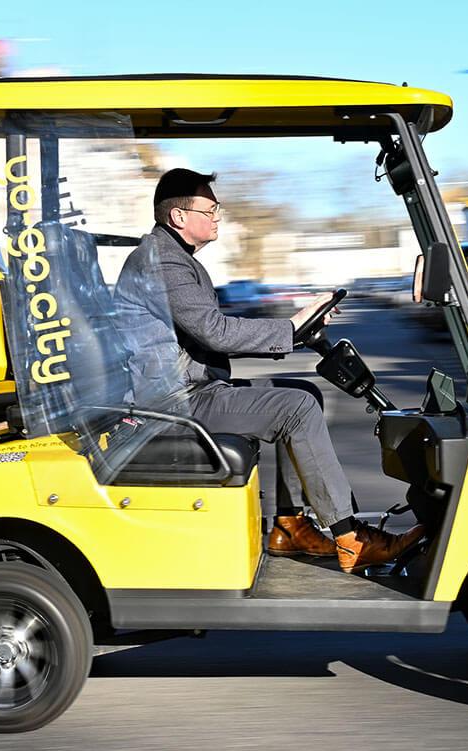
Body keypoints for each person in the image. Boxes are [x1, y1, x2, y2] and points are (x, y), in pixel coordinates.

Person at [112, 168, 422, 572]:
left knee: (304, 394)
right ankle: (351, 537)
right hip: (173, 402)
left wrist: (294, 330)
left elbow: (208, 330)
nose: (218, 216)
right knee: (296, 408)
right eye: (210, 208)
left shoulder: (174, 259)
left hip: (186, 389)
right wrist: (290, 327)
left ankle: (291, 527)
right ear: (179, 217)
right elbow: (215, 332)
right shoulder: (163, 263)